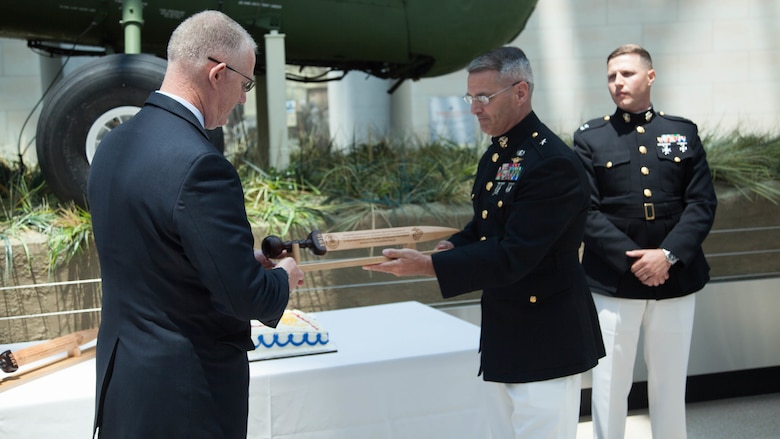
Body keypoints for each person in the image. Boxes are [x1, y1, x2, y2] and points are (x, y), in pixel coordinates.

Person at [363, 46, 605, 439]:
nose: (474, 108)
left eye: (484, 97)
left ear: (521, 92)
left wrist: (428, 267)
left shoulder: (551, 164)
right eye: (470, 97)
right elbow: (487, 226)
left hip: (547, 338)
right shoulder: (500, 154)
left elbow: (514, 254)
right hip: (504, 333)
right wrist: (453, 247)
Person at [87, 10, 304, 438]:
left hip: (123, 382)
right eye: (246, 84)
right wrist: (283, 277)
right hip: (186, 396)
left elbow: (155, 255)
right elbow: (245, 298)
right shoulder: (201, 164)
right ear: (218, 74)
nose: (244, 98)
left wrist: (242, 260)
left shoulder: (112, 144)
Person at [572, 44, 717, 439]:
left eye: (627, 74)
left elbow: (701, 202)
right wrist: (637, 260)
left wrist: (667, 256)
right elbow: (585, 211)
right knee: (609, 385)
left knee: (670, 385)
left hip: (675, 277)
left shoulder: (681, 133)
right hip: (614, 281)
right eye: (611, 76)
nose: (617, 83)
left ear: (650, 76)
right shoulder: (590, 137)